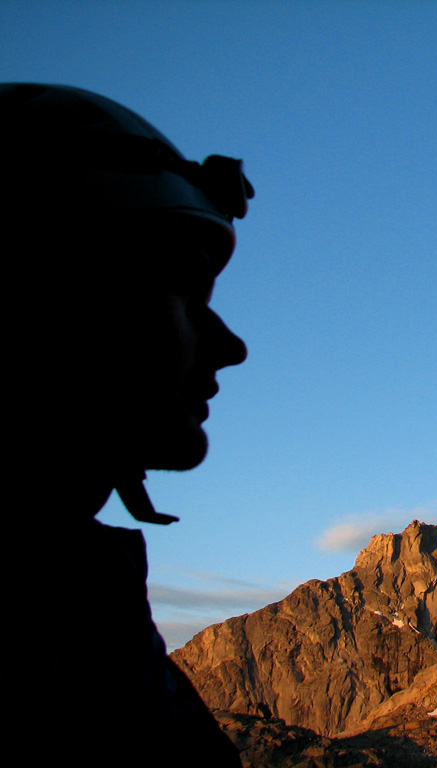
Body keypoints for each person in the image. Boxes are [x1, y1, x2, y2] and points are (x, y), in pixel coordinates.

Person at [2, 83, 252, 767]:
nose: (231, 345)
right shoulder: (36, 635)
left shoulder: (65, 607)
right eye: (183, 282)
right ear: (41, 288)